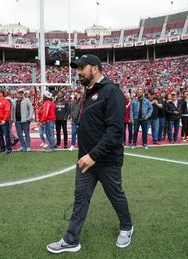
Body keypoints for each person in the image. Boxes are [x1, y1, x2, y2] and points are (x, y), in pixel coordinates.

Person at [47, 54, 133, 254]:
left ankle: (127, 227)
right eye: (77, 69)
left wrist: (93, 155)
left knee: (115, 196)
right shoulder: (88, 92)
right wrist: (86, 154)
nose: (78, 73)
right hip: (86, 159)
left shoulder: (112, 92)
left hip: (106, 160)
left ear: (94, 68)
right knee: (80, 198)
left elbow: (115, 131)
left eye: (81, 68)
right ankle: (71, 239)